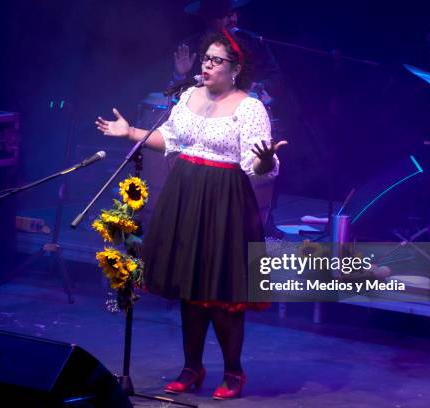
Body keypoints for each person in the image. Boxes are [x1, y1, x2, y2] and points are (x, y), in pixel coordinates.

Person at [97, 30, 286, 400]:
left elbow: (257, 164)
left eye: (216, 60)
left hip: (225, 200)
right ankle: (191, 367)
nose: (208, 65)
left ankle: (233, 371)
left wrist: (266, 161)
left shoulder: (249, 107)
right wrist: (129, 132)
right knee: (190, 285)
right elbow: (171, 139)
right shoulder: (187, 97)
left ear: (236, 68)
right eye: (206, 58)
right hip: (185, 194)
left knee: (221, 291)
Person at [172, 0, 286, 238]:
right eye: (224, 16)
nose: (232, 20)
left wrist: (261, 86)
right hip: (207, 119)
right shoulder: (192, 45)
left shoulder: (251, 41)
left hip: (245, 115)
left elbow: (275, 75)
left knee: (258, 162)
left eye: (233, 14)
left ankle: (265, 217)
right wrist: (180, 76)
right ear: (208, 18)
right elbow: (175, 91)